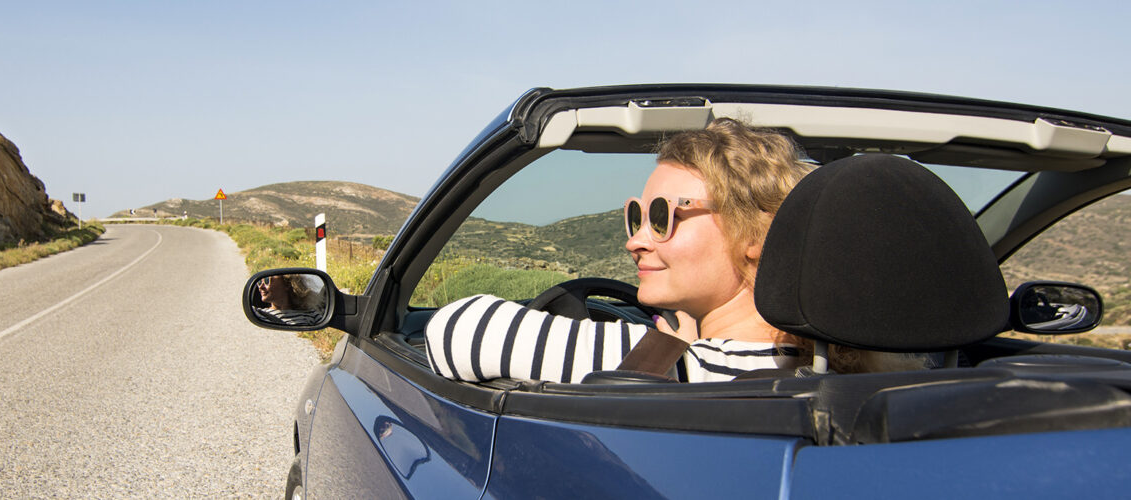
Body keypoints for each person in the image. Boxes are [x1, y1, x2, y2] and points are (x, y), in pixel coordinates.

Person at [427, 118, 923, 384]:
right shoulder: (830, 374)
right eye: (636, 215)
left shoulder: (694, 370)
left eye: (664, 215)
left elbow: (458, 331)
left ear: (759, 236)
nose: (635, 239)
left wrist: (672, 346)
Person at [257, 274, 326, 326]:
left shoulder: (312, 314)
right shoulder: (259, 314)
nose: (260, 287)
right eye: (259, 282)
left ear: (287, 284)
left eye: (267, 280)